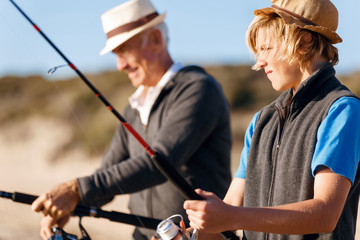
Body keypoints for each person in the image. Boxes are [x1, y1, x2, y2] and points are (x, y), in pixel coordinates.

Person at [31, 0, 232, 239]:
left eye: (124, 50)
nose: (120, 65)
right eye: (116, 54)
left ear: (156, 39)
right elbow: (109, 173)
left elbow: (160, 163)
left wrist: (76, 190)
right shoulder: (132, 110)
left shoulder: (198, 90)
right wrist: (72, 204)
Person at [184, 0, 360, 239]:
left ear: (304, 39)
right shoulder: (261, 121)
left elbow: (325, 214)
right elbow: (229, 214)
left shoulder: (342, 110)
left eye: (267, 48)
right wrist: (193, 234)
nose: (259, 62)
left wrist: (230, 217)